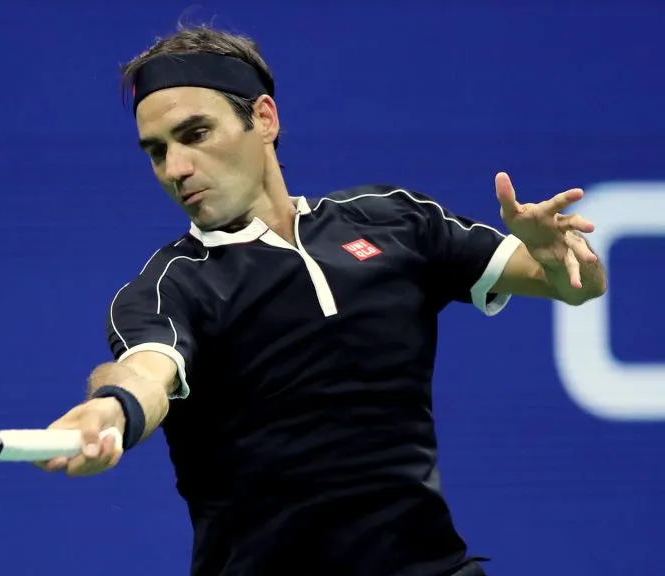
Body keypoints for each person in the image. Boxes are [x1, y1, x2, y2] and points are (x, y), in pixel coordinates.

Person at [37, 24, 607, 576]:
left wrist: (557, 255)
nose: (176, 169)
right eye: (156, 152)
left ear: (263, 118)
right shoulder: (170, 285)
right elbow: (146, 372)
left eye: (195, 134)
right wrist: (110, 410)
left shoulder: (393, 220)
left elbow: (578, 285)